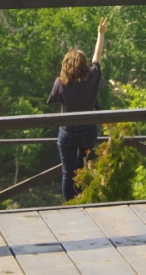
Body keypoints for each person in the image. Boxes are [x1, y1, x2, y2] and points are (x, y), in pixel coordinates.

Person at [48, 17, 107, 200]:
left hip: (66, 131)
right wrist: (100, 34)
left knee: (68, 171)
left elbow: (55, 98)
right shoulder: (91, 79)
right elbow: (96, 57)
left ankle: (69, 204)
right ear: (83, 65)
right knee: (84, 168)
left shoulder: (61, 82)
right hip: (88, 130)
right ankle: (84, 200)